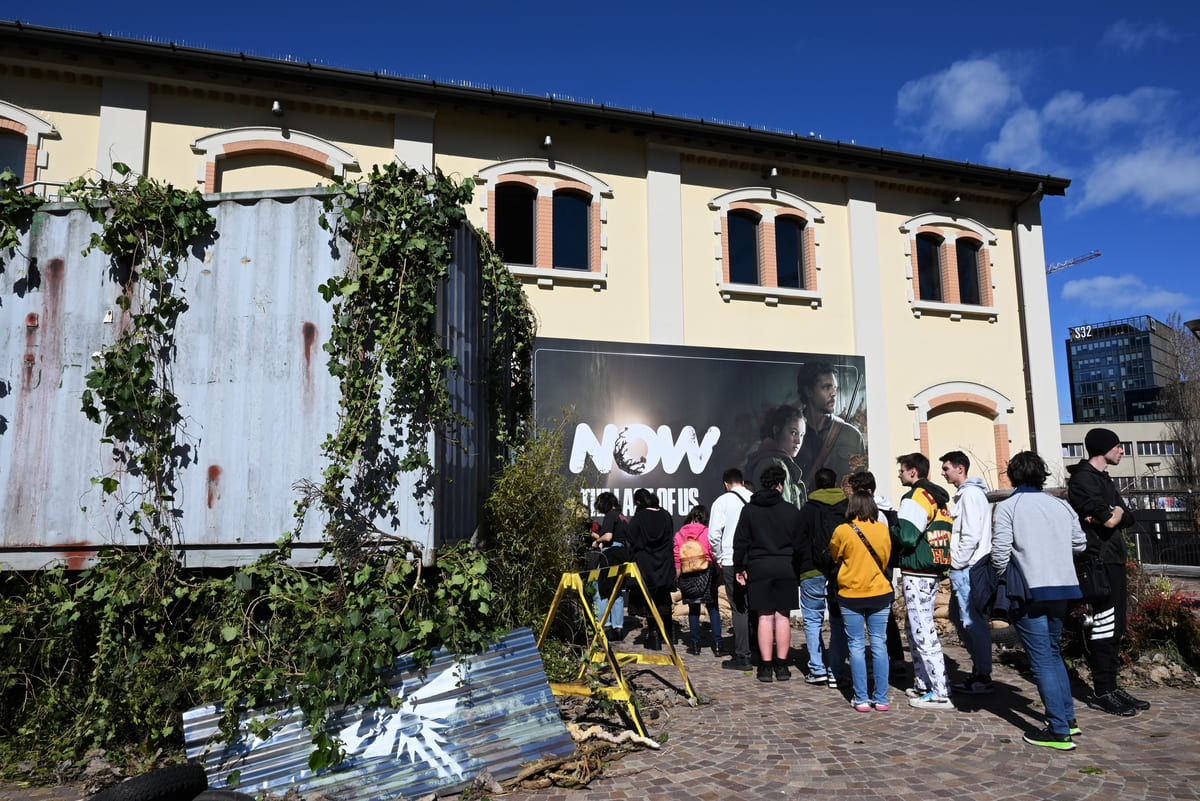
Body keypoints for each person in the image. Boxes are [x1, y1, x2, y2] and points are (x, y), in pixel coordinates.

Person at [992, 451, 1087, 750]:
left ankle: (1058, 730)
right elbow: (1080, 543)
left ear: (1012, 475)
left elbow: (999, 554)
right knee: (1053, 652)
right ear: (1041, 474)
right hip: (1062, 588)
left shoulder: (1008, 507)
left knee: (1042, 659)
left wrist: (1003, 575)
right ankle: (1068, 719)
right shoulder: (1061, 505)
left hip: (1029, 590)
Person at [1066, 427, 1151, 716]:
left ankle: (1112, 687)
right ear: (1103, 448)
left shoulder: (1103, 478)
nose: (1122, 451)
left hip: (1113, 559)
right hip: (1097, 562)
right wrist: (1111, 514)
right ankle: (1102, 691)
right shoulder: (1082, 479)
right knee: (1104, 624)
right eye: (1118, 446)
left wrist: (1114, 513)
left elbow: (1125, 517)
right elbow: (1108, 520)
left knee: (1116, 626)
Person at [830, 472, 894, 711]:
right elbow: (886, 558)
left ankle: (861, 698)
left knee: (856, 645)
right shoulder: (883, 529)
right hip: (879, 591)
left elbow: (835, 555)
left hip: (851, 593)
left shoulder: (843, 530)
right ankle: (881, 698)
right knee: (879, 644)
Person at [894, 452, 954, 710]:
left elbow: (907, 536)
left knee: (923, 631)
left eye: (902, 470)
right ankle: (923, 683)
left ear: (913, 471)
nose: (899, 474)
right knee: (915, 627)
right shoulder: (937, 498)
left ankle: (940, 691)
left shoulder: (916, 497)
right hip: (933, 569)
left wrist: (891, 527)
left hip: (918, 571)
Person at [733, 464, 803, 683]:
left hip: (759, 566)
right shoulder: (791, 510)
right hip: (785, 566)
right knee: (782, 616)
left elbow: (740, 541)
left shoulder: (749, 510)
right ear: (780, 485)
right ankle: (781, 666)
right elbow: (800, 544)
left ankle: (765, 666)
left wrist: (739, 567)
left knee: (764, 617)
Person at [940, 451, 994, 694]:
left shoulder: (970, 495)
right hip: (966, 567)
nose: (943, 472)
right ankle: (979, 671)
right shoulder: (967, 494)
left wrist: (957, 562)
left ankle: (983, 675)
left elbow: (970, 534)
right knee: (959, 617)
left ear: (960, 468)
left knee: (972, 622)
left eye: (946, 468)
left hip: (967, 568)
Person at [794, 467, 847, 685]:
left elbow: (797, 543)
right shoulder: (847, 507)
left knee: (812, 620)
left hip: (811, 570)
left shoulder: (807, 509)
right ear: (835, 483)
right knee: (838, 620)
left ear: (815, 485)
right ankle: (836, 671)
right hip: (840, 571)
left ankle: (817, 669)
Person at [708, 468, 754, 670]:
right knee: (756, 606)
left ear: (726, 484)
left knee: (739, 608)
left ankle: (743, 655)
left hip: (730, 559)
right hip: (754, 559)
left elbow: (714, 535)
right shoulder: (754, 498)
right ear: (742, 482)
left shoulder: (722, 502)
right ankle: (759, 650)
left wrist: (719, 556)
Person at [795, 362, 866, 488]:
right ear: (809, 391)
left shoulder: (852, 436)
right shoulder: (790, 433)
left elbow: (861, 485)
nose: (834, 393)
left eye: (835, 388)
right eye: (827, 387)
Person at [626, 488, 677, 651]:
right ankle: (669, 633)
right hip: (664, 564)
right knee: (664, 599)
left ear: (638, 502)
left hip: (645, 564)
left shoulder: (638, 518)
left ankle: (654, 634)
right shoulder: (666, 515)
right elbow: (670, 536)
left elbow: (630, 537)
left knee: (649, 600)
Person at [674, 505, 723, 656]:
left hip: (688, 572)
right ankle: (718, 645)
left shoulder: (679, 534)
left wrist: (677, 577)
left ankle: (695, 645)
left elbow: (677, 558)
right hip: (707, 570)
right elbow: (713, 553)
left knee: (693, 608)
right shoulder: (707, 532)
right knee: (713, 607)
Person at [744, 404, 808, 509]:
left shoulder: (777, 462)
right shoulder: (774, 464)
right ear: (776, 430)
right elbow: (780, 513)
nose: (798, 441)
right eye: (793, 433)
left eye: (801, 435)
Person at [589, 491, 629, 641]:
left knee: (601, 590)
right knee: (616, 591)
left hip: (610, 555)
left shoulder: (610, 515)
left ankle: (605, 626)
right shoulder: (622, 517)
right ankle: (618, 628)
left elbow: (608, 536)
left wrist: (597, 541)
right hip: (622, 554)